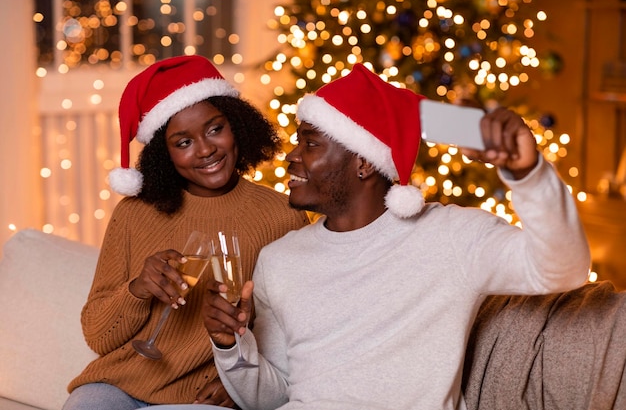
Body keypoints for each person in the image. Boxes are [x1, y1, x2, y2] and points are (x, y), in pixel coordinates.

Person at [201, 63, 591, 410]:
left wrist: (528, 174)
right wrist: (230, 345)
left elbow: (563, 270)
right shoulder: (278, 259)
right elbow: (273, 395)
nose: (292, 155)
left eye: (310, 142)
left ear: (364, 161)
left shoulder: (448, 237)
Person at [62, 55, 309, 410]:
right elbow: (99, 336)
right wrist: (138, 289)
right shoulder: (133, 214)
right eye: (183, 142)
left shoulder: (281, 215)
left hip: (206, 397)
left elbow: (295, 331)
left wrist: (244, 385)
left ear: (237, 125)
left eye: (215, 129)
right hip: (118, 387)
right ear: (164, 154)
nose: (206, 149)